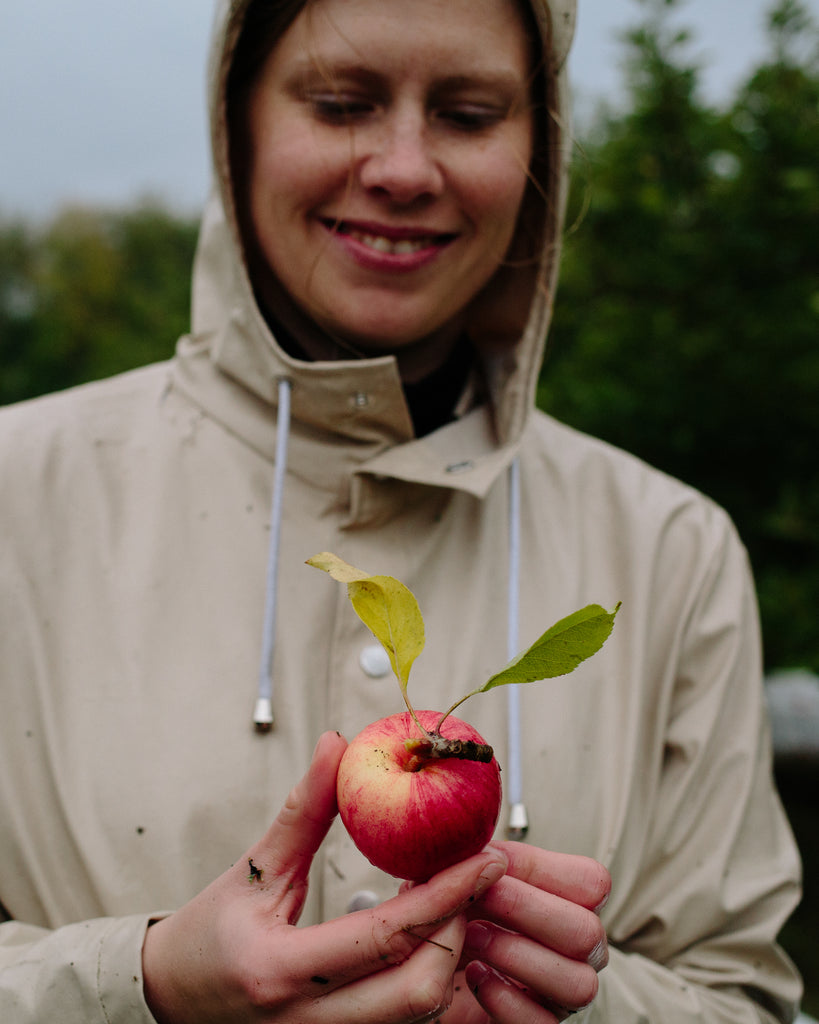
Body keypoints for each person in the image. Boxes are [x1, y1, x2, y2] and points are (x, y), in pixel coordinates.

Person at [0, 0, 803, 1020]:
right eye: (341, 103)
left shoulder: (670, 551)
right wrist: (140, 985)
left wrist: (580, 1007)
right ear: (235, 123)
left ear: (537, 146)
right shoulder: (16, 494)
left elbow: (744, 995)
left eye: (469, 113)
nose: (404, 168)